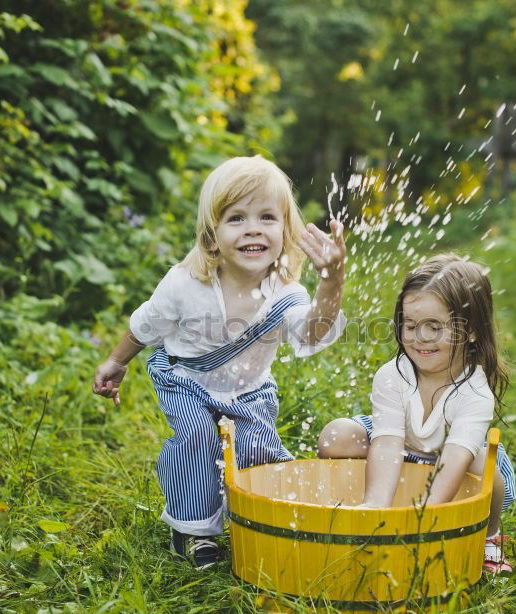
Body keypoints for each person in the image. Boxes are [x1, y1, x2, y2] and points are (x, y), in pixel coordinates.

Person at [93, 155, 347, 569]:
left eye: (267, 217)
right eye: (236, 218)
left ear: (287, 231)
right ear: (212, 234)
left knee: (255, 451)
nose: (253, 228)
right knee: (196, 437)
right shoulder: (184, 284)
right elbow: (146, 325)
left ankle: (258, 522)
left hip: (248, 391)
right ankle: (192, 533)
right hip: (186, 378)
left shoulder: (285, 292)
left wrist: (332, 279)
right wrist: (115, 362)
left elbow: (312, 331)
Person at [316, 254, 516, 573]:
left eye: (434, 327)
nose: (419, 338)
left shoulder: (476, 392)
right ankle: (363, 495)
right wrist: (375, 508)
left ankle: (489, 538)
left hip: (452, 458)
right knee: (336, 436)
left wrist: (426, 519)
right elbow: (386, 443)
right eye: (410, 325)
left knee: (487, 474)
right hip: (400, 447)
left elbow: (455, 457)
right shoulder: (392, 376)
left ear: (472, 331)